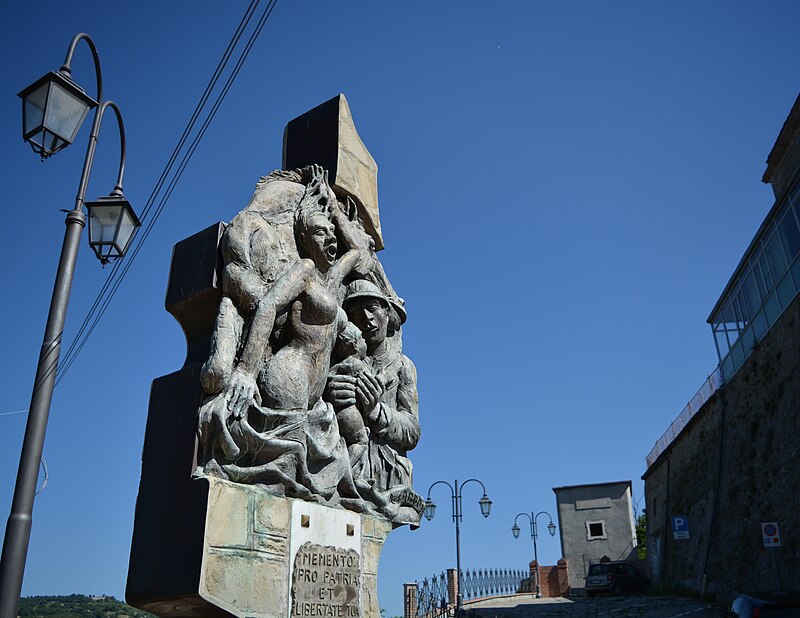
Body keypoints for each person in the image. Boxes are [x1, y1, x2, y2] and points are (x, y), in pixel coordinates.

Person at [325, 279, 423, 523]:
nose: (366, 318)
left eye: (372, 308)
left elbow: (412, 432)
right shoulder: (338, 360)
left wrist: (375, 411)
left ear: (387, 313)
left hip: (387, 476)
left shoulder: (403, 367)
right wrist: (330, 394)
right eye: (356, 313)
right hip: (345, 465)